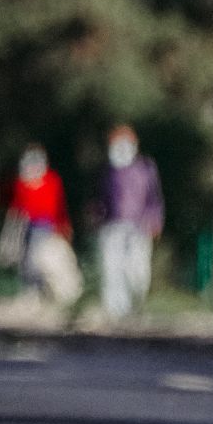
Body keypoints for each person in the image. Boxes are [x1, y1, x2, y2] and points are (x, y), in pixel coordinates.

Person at [93, 125, 163, 320]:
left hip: (139, 226)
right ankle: (115, 311)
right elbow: (101, 199)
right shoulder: (106, 170)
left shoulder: (146, 168)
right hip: (112, 226)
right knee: (112, 269)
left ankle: (135, 307)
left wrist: (155, 220)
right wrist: (97, 216)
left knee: (137, 270)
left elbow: (154, 198)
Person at [5, 144, 71, 294]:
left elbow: (59, 205)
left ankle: (39, 289)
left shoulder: (52, 179)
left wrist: (63, 225)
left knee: (37, 258)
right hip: (24, 224)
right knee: (25, 258)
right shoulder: (22, 182)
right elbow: (16, 203)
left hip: (44, 225)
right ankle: (30, 289)